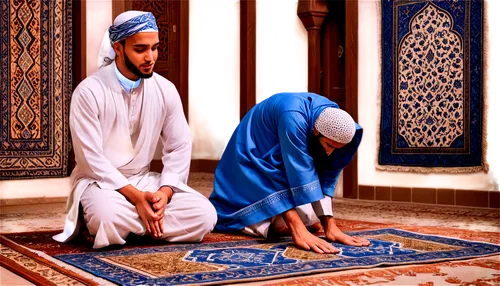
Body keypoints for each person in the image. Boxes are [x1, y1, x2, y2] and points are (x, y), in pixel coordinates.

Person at [53, 11, 217, 249]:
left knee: (205, 215)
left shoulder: (165, 89)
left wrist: (164, 192)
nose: (150, 57)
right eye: (140, 49)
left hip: (144, 181)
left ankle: (132, 226)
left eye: (155, 48)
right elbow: (89, 159)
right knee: (107, 216)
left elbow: (179, 146)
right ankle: (141, 224)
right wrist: (137, 198)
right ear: (118, 48)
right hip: (99, 183)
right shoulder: (89, 91)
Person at [209, 91, 370, 254]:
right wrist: (297, 229)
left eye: (337, 149)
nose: (330, 152)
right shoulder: (294, 117)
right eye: (329, 146)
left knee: (311, 216)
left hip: (279, 161)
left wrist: (330, 226)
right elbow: (296, 171)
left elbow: (329, 171)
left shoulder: (335, 121)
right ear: (315, 131)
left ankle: (280, 220)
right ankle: (268, 220)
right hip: (249, 163)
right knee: (258, 222)